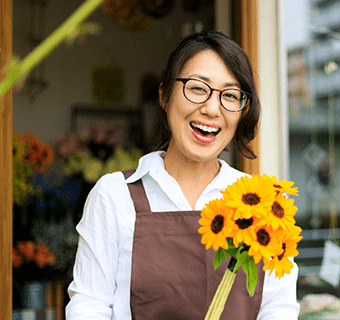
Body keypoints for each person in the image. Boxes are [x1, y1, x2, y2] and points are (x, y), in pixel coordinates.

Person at [66, 31, 300, 319]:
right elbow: (89, 306)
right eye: (198, 88)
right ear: (164, 95)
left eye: (229, 95)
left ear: (243, 111)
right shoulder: (115, 195)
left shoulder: (264, 207)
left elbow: (279, 309)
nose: (212, 109)